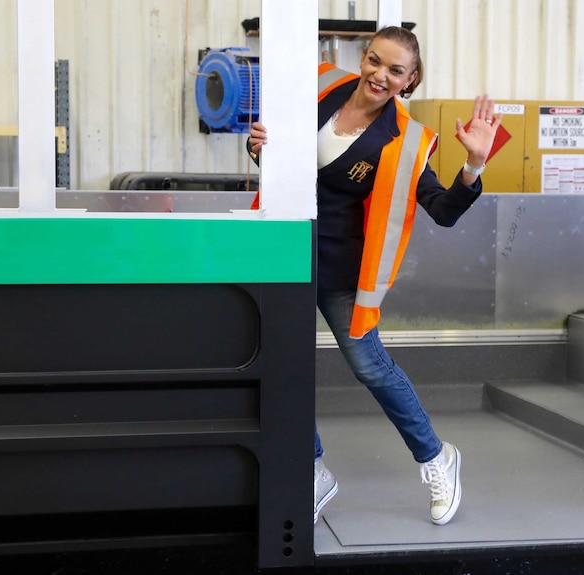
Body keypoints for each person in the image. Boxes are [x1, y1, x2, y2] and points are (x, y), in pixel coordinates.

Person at [246, 25, 503, 526]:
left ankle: (436, 458)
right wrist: (259, 148)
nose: (379, 75)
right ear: (362, 58)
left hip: (341, 268)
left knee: (370, 366)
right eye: (374, 61)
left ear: (410, 80)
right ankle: (312, 468)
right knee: (282, 363)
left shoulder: (407, 141)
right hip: (283, 256)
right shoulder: (322, 86)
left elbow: (444, 210)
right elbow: (281, 164)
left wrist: (473, 164)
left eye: (395, 70)